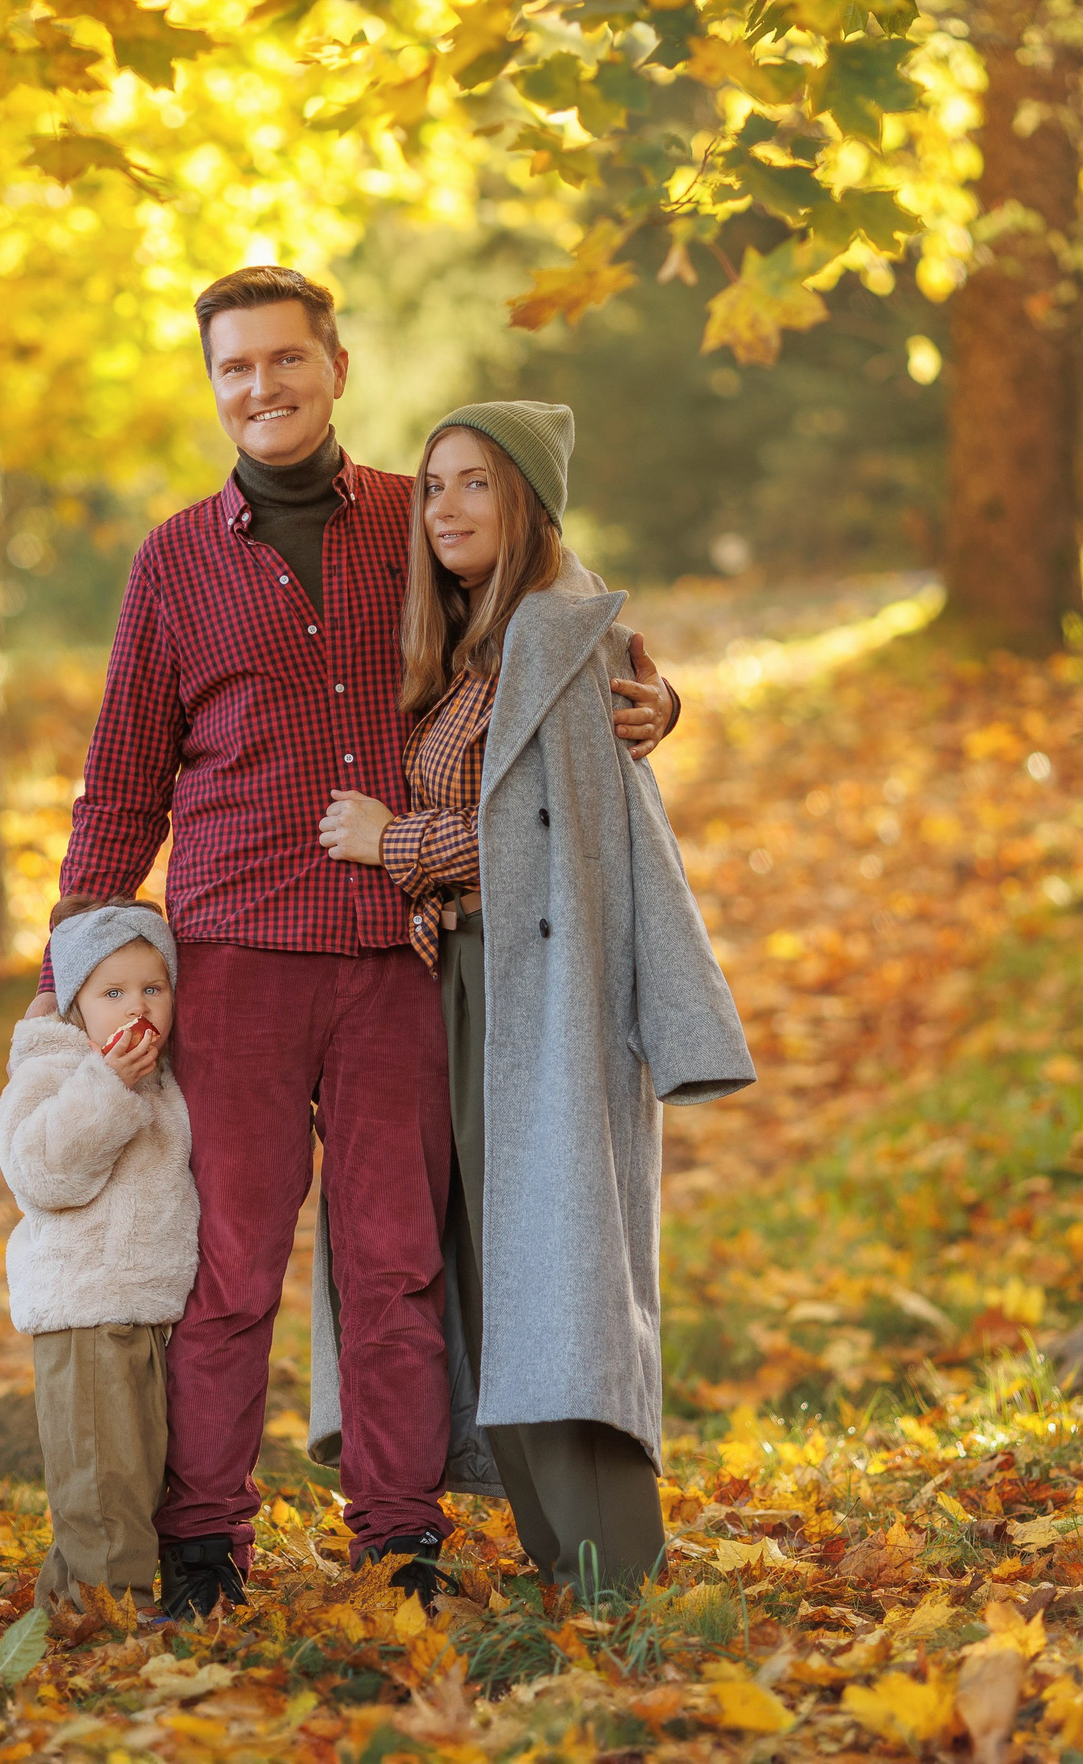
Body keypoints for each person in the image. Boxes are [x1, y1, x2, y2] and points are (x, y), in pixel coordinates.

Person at [27, 268, 682, 1619]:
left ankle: (399, 1543)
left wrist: (651, 691)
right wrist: (72, 980)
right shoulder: (173, 560)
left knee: (395, 1265)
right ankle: (204, 1548)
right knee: (229, 1277)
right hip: (235, 965)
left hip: (402, 956)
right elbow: (122, 783)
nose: (260, 388)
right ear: (214, 388)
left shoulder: (416, 514)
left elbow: (556, 610)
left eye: (284, 361)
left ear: (335, 364)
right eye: (234, 370)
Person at [317, 402, 756, 1596]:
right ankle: (567, 1561)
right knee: (484, 1255)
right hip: (458, 979)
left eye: (474, 486)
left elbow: (542, 833)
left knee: (552, 1254)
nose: (446, 509)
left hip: (539, 987)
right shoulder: (473, 637)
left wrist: (389, 845)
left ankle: (615, 1569)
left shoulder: (560, 634)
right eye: (433, 487)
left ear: (528, 505)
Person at [0, 901, 196, 1609]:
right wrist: (107, 1087)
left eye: (153, 988)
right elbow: (43, 1171)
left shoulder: (162, 1076)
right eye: (112, 993)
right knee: (100, 1483)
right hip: (84, 1312)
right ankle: (113, 1624)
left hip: (140, 1307)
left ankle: (72, 1611)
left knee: (127, 1478)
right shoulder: (55, 1069)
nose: (134, 1006)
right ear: (76, 1003)